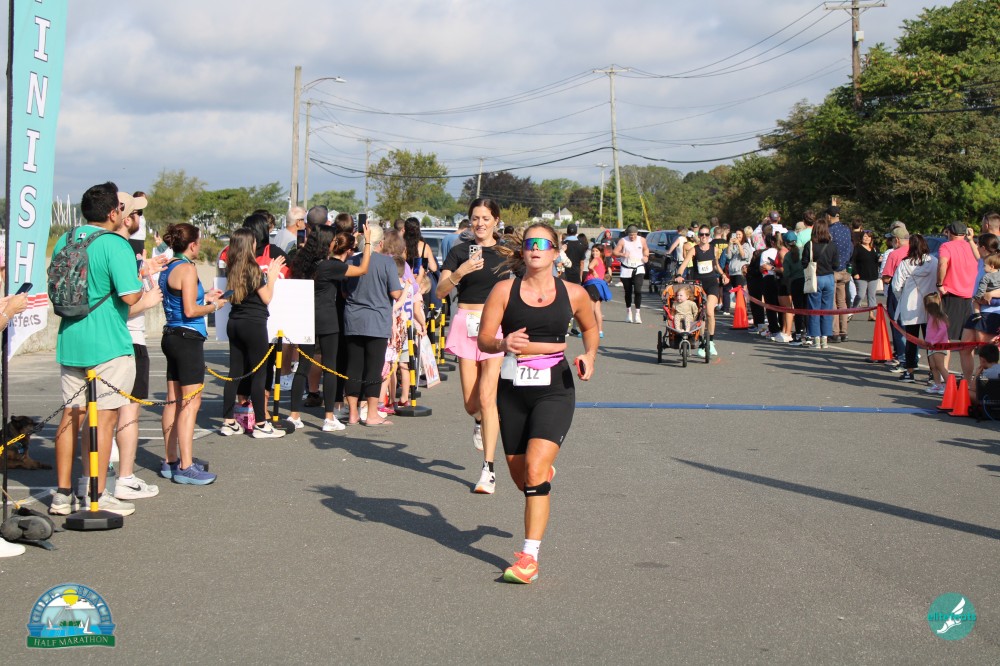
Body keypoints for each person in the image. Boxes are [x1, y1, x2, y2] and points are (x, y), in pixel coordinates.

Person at [477, 223, 598, 584]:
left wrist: (590, 356)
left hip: (554, 389)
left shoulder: (574, 293)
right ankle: (541, 470)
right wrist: (503, 344)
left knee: (533, 472)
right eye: (530, 243)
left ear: (556, 252)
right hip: (512, 389)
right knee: (522, 477)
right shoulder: (504, 290)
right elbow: (483, 339)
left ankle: (529, 558)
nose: (535, 248)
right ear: (523, 251)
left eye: (544, 244)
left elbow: (590, 328)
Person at [48, 183, 143, 518]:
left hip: (70, 338)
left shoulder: (66, 239)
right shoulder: (115, 244)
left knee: (71, 416)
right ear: (114, 212)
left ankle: (62, 493)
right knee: (104, 420)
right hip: (108, 344)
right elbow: (130, 295)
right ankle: (96, 493)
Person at [437, 198, 510, 494]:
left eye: (485, 218)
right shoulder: (458, 252)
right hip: (465, 324)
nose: (480, 223)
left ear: (496, 220)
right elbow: (440, 291)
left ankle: (488, 470)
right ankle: (478, 420)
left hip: (495, 326)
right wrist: (461, 271)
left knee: (488, 397)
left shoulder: (506, 253)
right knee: (471, 403)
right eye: (475, 218)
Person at [287, 224, 371, 431]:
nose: (334, 242)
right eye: (333, 240)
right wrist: (367, 242)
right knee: (330, 367)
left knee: (303, 367)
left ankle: (294, 415)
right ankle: (329, 417)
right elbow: (362, 269)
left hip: (306, 317)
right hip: (327, 317)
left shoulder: (301, 264)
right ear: (327, 243)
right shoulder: (329, 266)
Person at [159, 223, 224, 482]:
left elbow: (181, 299)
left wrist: (204, 297)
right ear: (193, 244)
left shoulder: (169, 266)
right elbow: (190, 310)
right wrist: (214, 306)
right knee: (190, 402)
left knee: (173, 400)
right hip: (188, 337)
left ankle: (171, 459)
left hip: (172, 334)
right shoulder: (187, 268)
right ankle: (186, 466)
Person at [114, 192, 167, 499]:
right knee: (126, 412)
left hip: (115, 341)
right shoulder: (120, 252)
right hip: (128, 341)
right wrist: (146, 299)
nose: (138, 219)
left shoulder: (111, 251)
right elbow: (121, 305)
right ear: (123, 217)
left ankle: (96, 479)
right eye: (135, 213)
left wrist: (145, 269)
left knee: (105, 413)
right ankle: (124, 477)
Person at [219, 228, 287, 438]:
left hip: (234, 322)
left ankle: (228, 421)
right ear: (250, 245)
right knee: (259, 373)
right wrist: (272, 277)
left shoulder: (232, 268)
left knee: (234, 373)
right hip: (253, 323)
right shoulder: (253, 268)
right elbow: (266, 297)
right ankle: (261, 424)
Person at [343, 224, 402, 427]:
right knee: (374, 368)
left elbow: (344, 291)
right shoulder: (387, 262)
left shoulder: (351, 261)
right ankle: (372, 414)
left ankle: (352, 413)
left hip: (353, 318)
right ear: (381, 243)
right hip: (377, 319)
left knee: (354, 366)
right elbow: (395, 292)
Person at [890, 234, 938, 383]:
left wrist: (902, 298)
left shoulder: (906, 263)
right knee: (931, 341)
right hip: (930, 305)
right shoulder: (934, 261)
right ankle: (934, 373)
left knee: (911, 340)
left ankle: (909, 372)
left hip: (911, 306)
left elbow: (896, 286)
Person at [677, 224, 728, 356]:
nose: (704, 237)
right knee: (700, 314)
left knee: (710, 312)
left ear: (709, 236)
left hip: (712, 283)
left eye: (706, 234)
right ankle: (701, 342)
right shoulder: (694, 250)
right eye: (701, 234)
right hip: (698, 284)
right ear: (698, 236)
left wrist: (723, 274)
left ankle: (710, 342)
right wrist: (679, 275)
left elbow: (716, 265)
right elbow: (684, 264)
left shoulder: (714, 249)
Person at [957, 234, 1000, 384]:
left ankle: (988, 385)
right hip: (977, 312)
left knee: (986, 353)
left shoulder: (996, 263)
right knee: (964, 348)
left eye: (977, 245)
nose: (976, 248)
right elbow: (976, 254)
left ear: (983, 247)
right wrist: (970, 240)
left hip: (992, 313)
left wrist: (991, 294)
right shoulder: (982, 261)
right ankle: (968, 384)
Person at [937, 221, 978, 342]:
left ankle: (945, 356)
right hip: (971, 295)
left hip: (952, 293)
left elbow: (942, 264)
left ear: (950, 233)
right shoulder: (973, 247)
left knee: (946, 335)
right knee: (968, 338)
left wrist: (939, 284)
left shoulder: (946, 246)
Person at [801, 217, 838, 348]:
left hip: (815, 277)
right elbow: (836, 264)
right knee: (827, 309)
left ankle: (815, 338)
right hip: (829, 277)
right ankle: (825, 338)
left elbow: (804, 263)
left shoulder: (810, 245)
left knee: (814, 308)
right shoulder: (832, 245)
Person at [881, 224, 911, 367]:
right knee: (911, 326)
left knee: (898, 325)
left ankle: (902, 356)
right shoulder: (916, 252)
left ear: (897, 240)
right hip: (914, 293)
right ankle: (912, 356)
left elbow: (886, 277)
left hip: (897, 291)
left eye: (892, 239)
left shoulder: (894, 254)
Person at [613, 225, 649, 323]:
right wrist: (622, 254)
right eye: (630, 235)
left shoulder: (642, 240)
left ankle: (637, 313)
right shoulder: (623, 241)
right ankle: (629, 312)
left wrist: (646, 256)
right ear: (627, 234)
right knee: (628, 291)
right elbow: (615, 252)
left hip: (639, 267)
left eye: (634, 235)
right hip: (626, 268)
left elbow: (646, 249)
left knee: (638, 290)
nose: (632, 237)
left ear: (637, 233)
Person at [828, 206, 853, 343]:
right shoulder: (846, 230)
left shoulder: (830, 231)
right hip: (844, 268)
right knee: (842, 301)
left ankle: (835, 332)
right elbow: (850, 248)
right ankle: (844, 331)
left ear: (828, 216)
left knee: (832, 302)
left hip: (832, 269)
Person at [923, 293, 950, 394]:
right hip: (931, 346)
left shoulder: (939, 316)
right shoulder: (931, 316)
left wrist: (934, 341)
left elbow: (942, 330)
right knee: (933, 366)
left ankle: (949, 385)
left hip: (938, 345)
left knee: (940, 366)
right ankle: (938, 384)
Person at [582, 243, 610, 338]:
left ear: (601, 252)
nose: (594, 253)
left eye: (597, 251)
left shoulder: (596, 259)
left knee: (590, 309)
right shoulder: (602, 261)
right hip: (600, 286)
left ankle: (588, 331)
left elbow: (590, 266)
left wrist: (593, 272)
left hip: (592, 285)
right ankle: (600, 331)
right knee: (597, 309)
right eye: (593, 251)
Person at [851, 229, 880, 320]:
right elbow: (852, 261)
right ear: (861, 238)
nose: (867, 238)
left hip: (873, 275)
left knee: (872, 296)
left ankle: (871, 314)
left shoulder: (874, 249)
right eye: (865, 236)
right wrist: (855, 273)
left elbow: (877, 260)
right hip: (861, 276)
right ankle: (852, 311)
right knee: (860, 295)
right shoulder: (857, 248)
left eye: (869, 236)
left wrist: (880, 260)